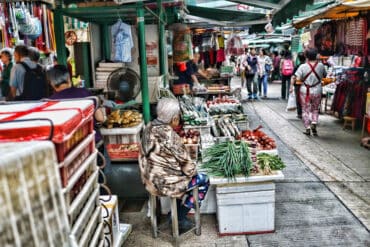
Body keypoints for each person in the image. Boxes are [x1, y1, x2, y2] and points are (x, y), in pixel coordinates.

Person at [139, 98, 209, 232]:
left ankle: (176, 213)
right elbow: (188, 166)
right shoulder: (171, 136)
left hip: (148, 181)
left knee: (179, 176)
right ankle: (179, 217)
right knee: (202, 180)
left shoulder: (147, 128)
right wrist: (194, 170)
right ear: (175, 118)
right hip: (166, 185)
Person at [46, 65, 105, 141]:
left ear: (51, 83)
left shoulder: (50, 102)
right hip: (90, 141)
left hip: (67, 145)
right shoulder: (84, 93)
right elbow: (100, 118)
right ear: (68, 79)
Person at [295, 48, 326, 136]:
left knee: (305, 109)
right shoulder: (321, 66)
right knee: (315, 108)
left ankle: (307, 127)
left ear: (306, 56)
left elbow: (297, 78)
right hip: (317, 90)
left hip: (305, 90)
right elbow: (324, 75)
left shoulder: (302, 66)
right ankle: (314, 122)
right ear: (316, 56)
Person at [290, 52, 306, 119]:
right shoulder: (307, 66)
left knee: (298, 99)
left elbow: (293, 77)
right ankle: (305, 112)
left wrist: (291, 86)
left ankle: (299, 113)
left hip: (297, 85)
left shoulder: (297, 66)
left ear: (299, 59)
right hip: (306, 84)